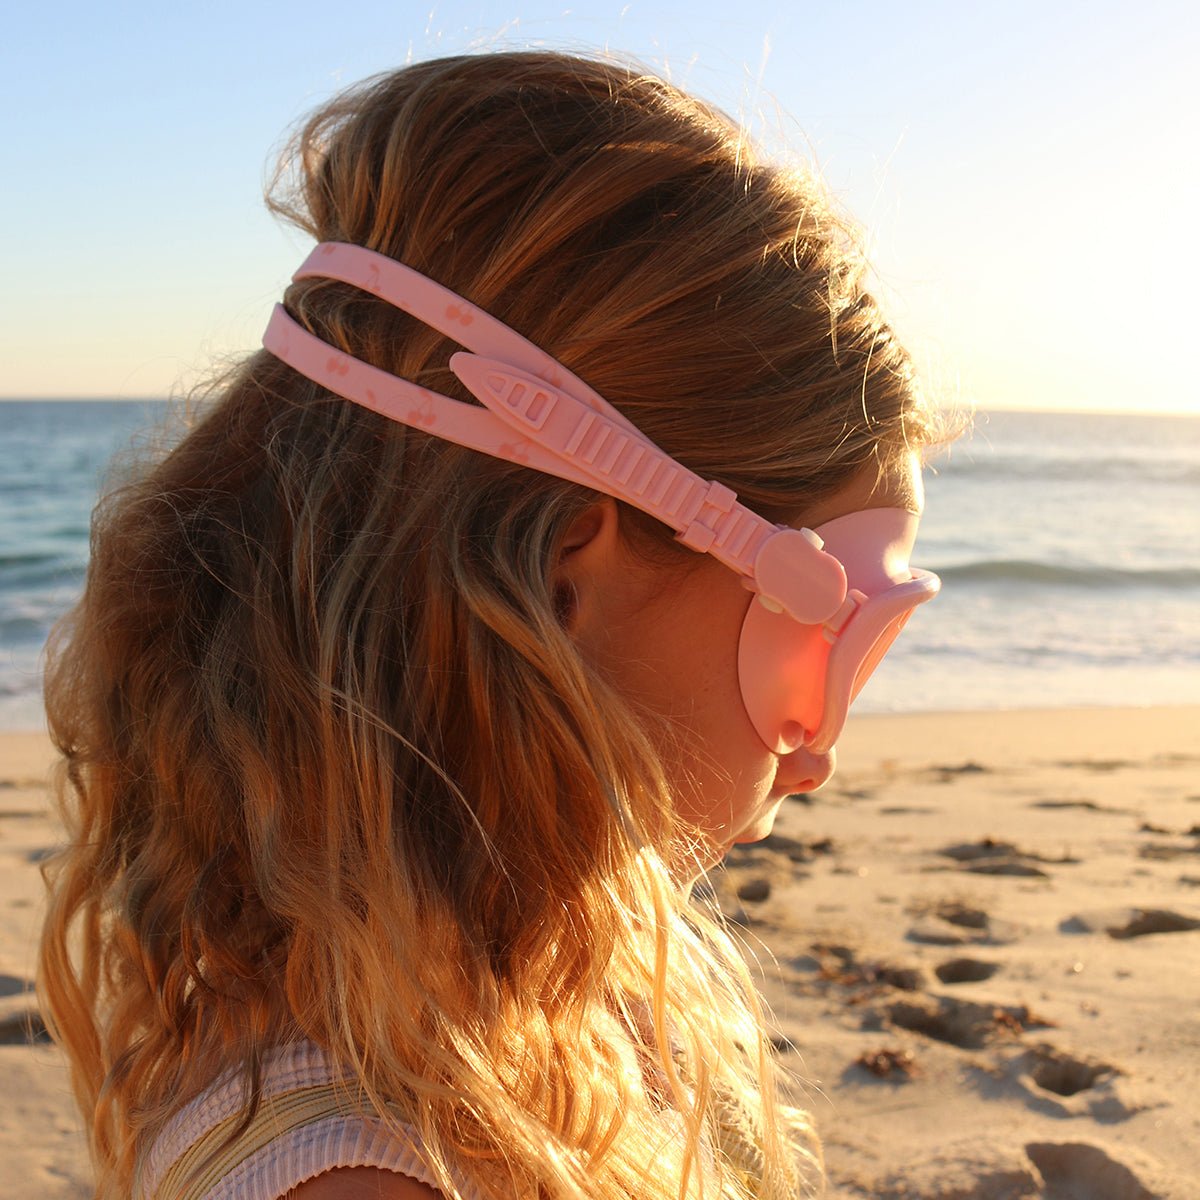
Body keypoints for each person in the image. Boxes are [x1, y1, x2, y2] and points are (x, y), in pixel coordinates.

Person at [39, 50, 948, 1200]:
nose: (821, 752)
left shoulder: (464, 981)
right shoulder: (369, 1175)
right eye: (837, 640)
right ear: (568, 577)